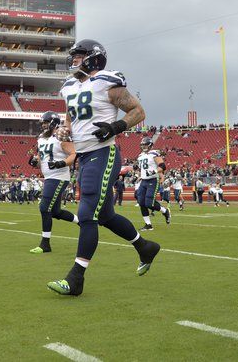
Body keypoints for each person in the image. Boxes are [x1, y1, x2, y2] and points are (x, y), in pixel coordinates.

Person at [47, 39, 160, 296]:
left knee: (87, 213)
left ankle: (76, 278)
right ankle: (145, 247)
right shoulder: (70, 86)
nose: (73, 60)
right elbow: (70, 115)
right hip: (84, 156)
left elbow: (138, 111)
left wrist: (115, 127)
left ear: (93, 58)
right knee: (106, 216)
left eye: (79, 56)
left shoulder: (107, 81)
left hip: (104, 152)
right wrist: (66, 129)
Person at [28, 111, 79, 254]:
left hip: (59, 176)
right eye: (42, 123)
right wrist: (35, 162)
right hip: (49, 176)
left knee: (44, 207)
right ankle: (81, 221)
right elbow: (42, 160)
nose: (43, 126)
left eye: (45, 123)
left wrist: (60, 163)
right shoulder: (41, 139)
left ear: (53, 122)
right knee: (55, 212)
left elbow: (74, 154)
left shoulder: (60, 135)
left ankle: (45, 244)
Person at [134, 137, 171, 231]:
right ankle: (148, 224)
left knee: (149, 203)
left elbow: (162, 166)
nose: (143, 146)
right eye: (142, 145)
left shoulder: (154, 153)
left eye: (145, 144)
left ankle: (165, 211)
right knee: (141, 202)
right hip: (144, 181)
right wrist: (140, 176)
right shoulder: (140, 155)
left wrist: (154, 171)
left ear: (150, 145)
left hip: (153, 180)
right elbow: (143, 169)